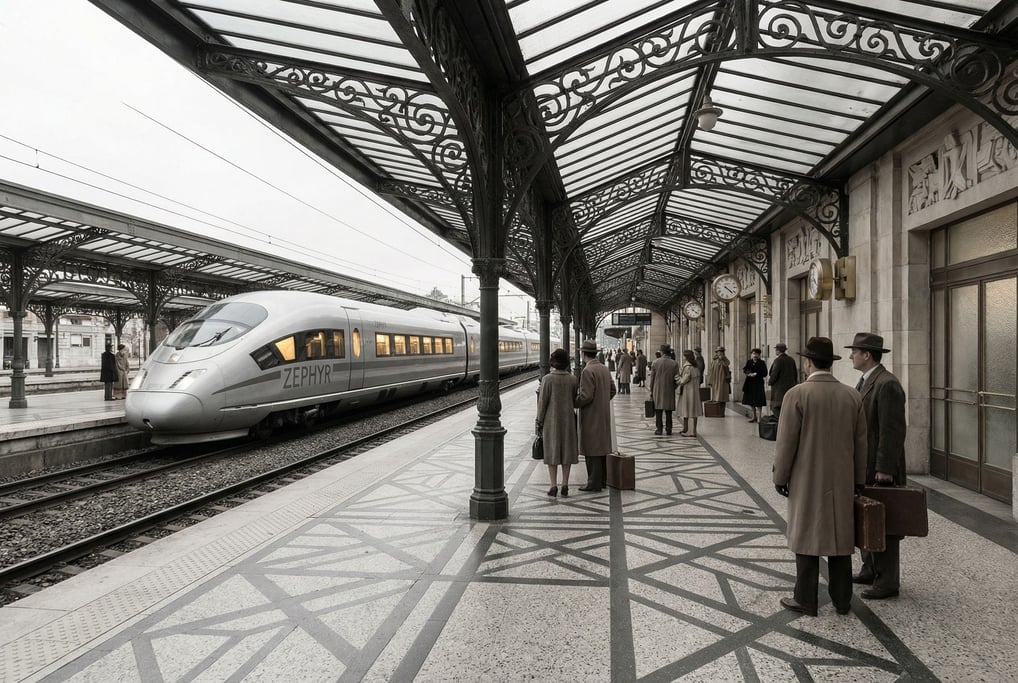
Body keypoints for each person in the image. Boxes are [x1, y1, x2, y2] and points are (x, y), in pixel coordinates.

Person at [773, 337, 866, 617]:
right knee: (839, 538)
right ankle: (842, 600)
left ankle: (805, 599)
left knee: (806, 536)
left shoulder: (797, 394)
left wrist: (781, 476)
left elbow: (786, 442)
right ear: (832, 363)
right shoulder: (852, 395)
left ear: (808, 361)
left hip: (806, 478)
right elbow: (862, 443)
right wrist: (859, 479)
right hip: (842, 479)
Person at [846, 332, 907, 600]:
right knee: (868, 517)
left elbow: (892, 431)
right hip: (865, 464)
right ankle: (870, 568)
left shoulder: (887, 384)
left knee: (884, 523)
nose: (851, 356)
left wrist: (885, 468)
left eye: (854, 351)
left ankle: (887, 581)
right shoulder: (866, 381)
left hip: (879, 467)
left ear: (866, 355)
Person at [536, 349, 579, 498]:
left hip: (551, 421)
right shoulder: (573, 379)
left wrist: (538, 422)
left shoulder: (547, 379)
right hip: (568, 420)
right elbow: (574, 400)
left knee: (552, 452)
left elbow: (542, 404)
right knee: (567, 451)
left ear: (553, 362)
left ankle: (553, 485)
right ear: (567, 362)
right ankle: (565, 484)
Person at [575, 339, 616, 492]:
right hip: (603, 414)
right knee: (602, 448)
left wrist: (573, 402)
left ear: (583, 354)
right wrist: (603, 401)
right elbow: (613, 390)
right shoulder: (604, 369)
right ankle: (603, 480)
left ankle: (593, 482)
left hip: (591, 415)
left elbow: (585, 397)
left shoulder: (587, 371)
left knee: (591, 449)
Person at [649, 343, 678, 435]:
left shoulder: (655, 363)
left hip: (657, 389)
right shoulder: (674, 363)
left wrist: (651, 389)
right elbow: (677, 378)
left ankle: (659, 429)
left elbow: (652, 378)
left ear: (661, 352)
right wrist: (674, 387)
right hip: (669, 388)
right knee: (668, 411)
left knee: (658, 410)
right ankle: (669, 429)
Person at [676, 349, 703, 437]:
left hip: (688, 391)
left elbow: (683, 380)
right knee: (693, 411)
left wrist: (677, 378)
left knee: (687, 410)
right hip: (694, 391)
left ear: (686, 357)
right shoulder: (695, 366)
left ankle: (690, 431)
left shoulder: (688, 367)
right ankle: (689, 429)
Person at [767, 343, 797, 421]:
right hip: (791, 388)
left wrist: (770, 382)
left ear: (778, 350)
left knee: (777, 408)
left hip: (779, 389)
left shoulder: (778, 360)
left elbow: (774, 373)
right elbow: (795, 373)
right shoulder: (791, 359)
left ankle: (780, 425)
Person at [741, 348, 767, 422]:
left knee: (759, 401)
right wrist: (749, 373)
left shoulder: (762, 363)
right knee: (751, 401)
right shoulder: (749, 362)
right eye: (753, 354)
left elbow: (765, 373)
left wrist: (757, 374)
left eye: (756, 354)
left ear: (759, 355)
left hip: (758, 383)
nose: (754, 355)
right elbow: (745, 369)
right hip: (750, 383)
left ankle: (759, 417)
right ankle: (754, 416)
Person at [707, 346, 731, 411]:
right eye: (718, 352)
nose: (719, 353)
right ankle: (717, 410)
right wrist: (710, 380)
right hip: (715, 380)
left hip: (723, 380)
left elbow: (727, 364)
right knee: (716, 395)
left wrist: (723, 359)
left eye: (721, 352)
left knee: (723, 395)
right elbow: (711, 370)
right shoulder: (714, 360)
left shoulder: (725, 360)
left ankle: (722, 410)